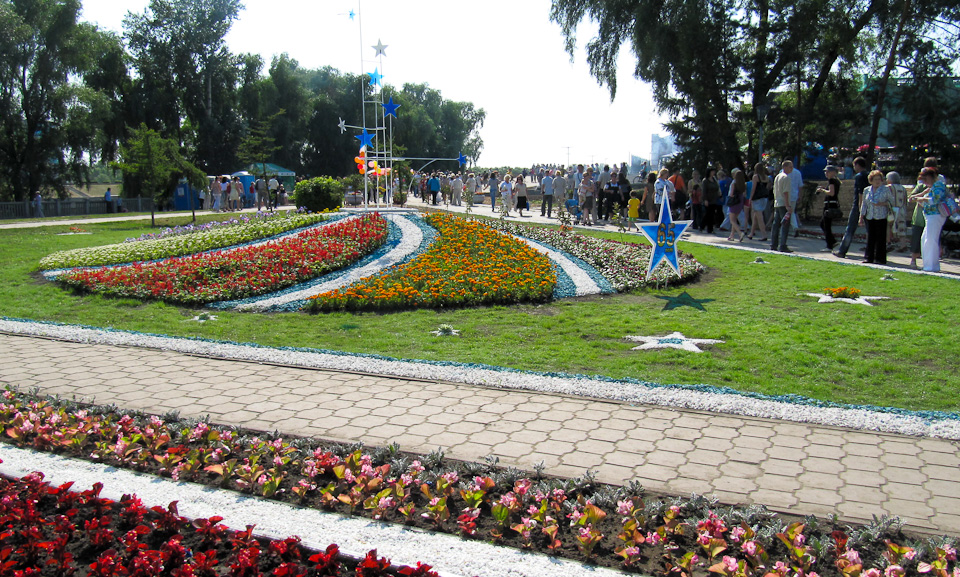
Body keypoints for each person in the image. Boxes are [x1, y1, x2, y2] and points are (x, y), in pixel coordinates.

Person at [911, 166, 948, 272]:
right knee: (925, 240)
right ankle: (928, 265)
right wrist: (919, 200)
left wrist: (921, 198)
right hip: (930, 216)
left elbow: (934, 200)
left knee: (930, 241)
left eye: (925, 179)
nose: (924, 182)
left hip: (936, 216)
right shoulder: (932, 187)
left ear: (932, 177)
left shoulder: (939, 185)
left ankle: (931, 267)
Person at [834, 157, 869, 258]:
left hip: (858, 205)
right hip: (870, 204)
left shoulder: (859, 176)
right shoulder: (869, 175)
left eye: (854, 165)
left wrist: (860, 208)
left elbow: (860, 193)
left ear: (857, 165)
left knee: (850, 229)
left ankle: (842, 250)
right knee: (869, 229)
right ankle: (870, 251)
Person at [858, 170, 894, 264]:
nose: (877, 181)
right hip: (870, 216)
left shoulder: (886, 189)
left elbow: (892, 201)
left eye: (879, 179)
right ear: (871, 180)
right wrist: (861, 217)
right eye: (875, 179)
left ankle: (880, 259)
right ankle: (868, 257)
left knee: (880, 238)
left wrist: (882, 203)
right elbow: (864, 204)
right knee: (870, 238)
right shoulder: (867, 190)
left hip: (881, 216)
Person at [770, 160, 795, 252]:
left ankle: (773, 244)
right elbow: (785, 192)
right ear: (784, 167)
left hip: (777, 202)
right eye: (790, 167)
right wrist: (788, 205)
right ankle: (783, 245)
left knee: (776, 224)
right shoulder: (786, 178)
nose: (791, 169)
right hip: (783, 203)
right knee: (785, 225)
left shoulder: (777, 176)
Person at [817, 165, 842, 252]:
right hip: (832, 204)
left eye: (828, 172)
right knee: (823, 224)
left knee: (826, 225)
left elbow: (831, 193)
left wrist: (823, 190)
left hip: (830, 205)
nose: (826, 173)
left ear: (833, 172)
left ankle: (829, 245)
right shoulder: (835, 181)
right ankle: (833, 241)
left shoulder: (832, 180)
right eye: (825, 172)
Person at [886, 171, 907, 251]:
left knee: (888, 226)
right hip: (901, 209)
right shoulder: (903, 188)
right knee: (901, 227)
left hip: (892, 210)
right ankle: (903, 245)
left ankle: (888, 242)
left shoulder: (889, 187)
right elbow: (905, 200)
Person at [749, 163, 770, 241]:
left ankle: (764, 235)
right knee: (755, 216)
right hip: (764, 198)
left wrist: (750, 198)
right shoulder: (766, 177)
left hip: (757, 198)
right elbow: (767, 187)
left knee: (760, 218)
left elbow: (753, 188)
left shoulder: (755, 177)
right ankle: (751, 233)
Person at [726, 169, 746, 241]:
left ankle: (740, 233)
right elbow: (744, 194)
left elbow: (731, 194)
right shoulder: (743, 184)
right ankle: (732, 235)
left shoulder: (733, 183)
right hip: (740, 202)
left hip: (734, 202)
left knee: (732, 220)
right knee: (735, 219)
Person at [702, 168, 722, 233]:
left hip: (714, 199)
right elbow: (704, 191)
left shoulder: (714, 179)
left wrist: (719, 195)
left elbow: (717, 187)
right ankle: (703, 226)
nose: (713, 172)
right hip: (708, 199)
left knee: (712, 214)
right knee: (708, 214)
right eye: (712, 171)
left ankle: (710, 229)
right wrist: (705, 199)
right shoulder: (705, 181)